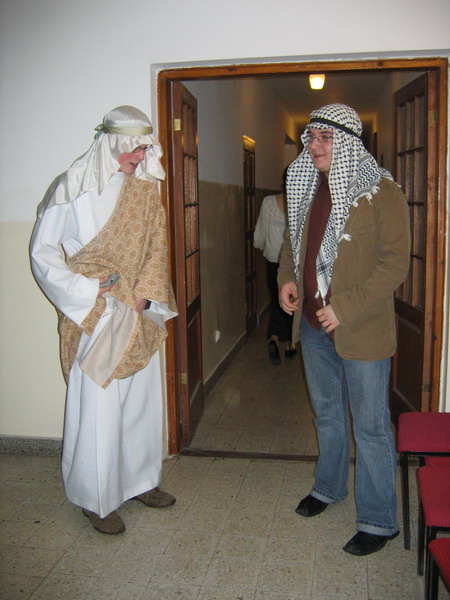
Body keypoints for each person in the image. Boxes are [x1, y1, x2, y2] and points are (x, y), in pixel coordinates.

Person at [30, 106, 178, 535]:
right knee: (99, 407)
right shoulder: (72, 187)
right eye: (135, 148)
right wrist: (85, 291)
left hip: (138, 307)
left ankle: (141, 481)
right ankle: (95, 499)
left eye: (146, 148)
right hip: (96, 312)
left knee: (141, 404)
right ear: (111, 143)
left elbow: (157, 244)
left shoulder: (146, 190)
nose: (142, 156)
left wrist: (145, 294)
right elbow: (43, 251)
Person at [278, 103, 410, 556]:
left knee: (371, 428)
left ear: (349, 143)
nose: (314, 146)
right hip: (314, 328)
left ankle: (379, 520)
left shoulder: (382, 192)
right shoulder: (306, 186)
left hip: (362, 331)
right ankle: (328, 487)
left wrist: (344, 308)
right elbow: (292, 242)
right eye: (311, 137)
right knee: (328, 415)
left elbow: (395, 264)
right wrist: (287, 279)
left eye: (325, 138)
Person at [253, 173, 297, 365]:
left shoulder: (268, 202)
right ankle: (290, 345)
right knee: (293, 302)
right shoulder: (301, 201)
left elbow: (260, 232)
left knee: (277, 301)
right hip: (293, 263)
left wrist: (259, 244)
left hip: (273, 259)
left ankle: (274, 337)